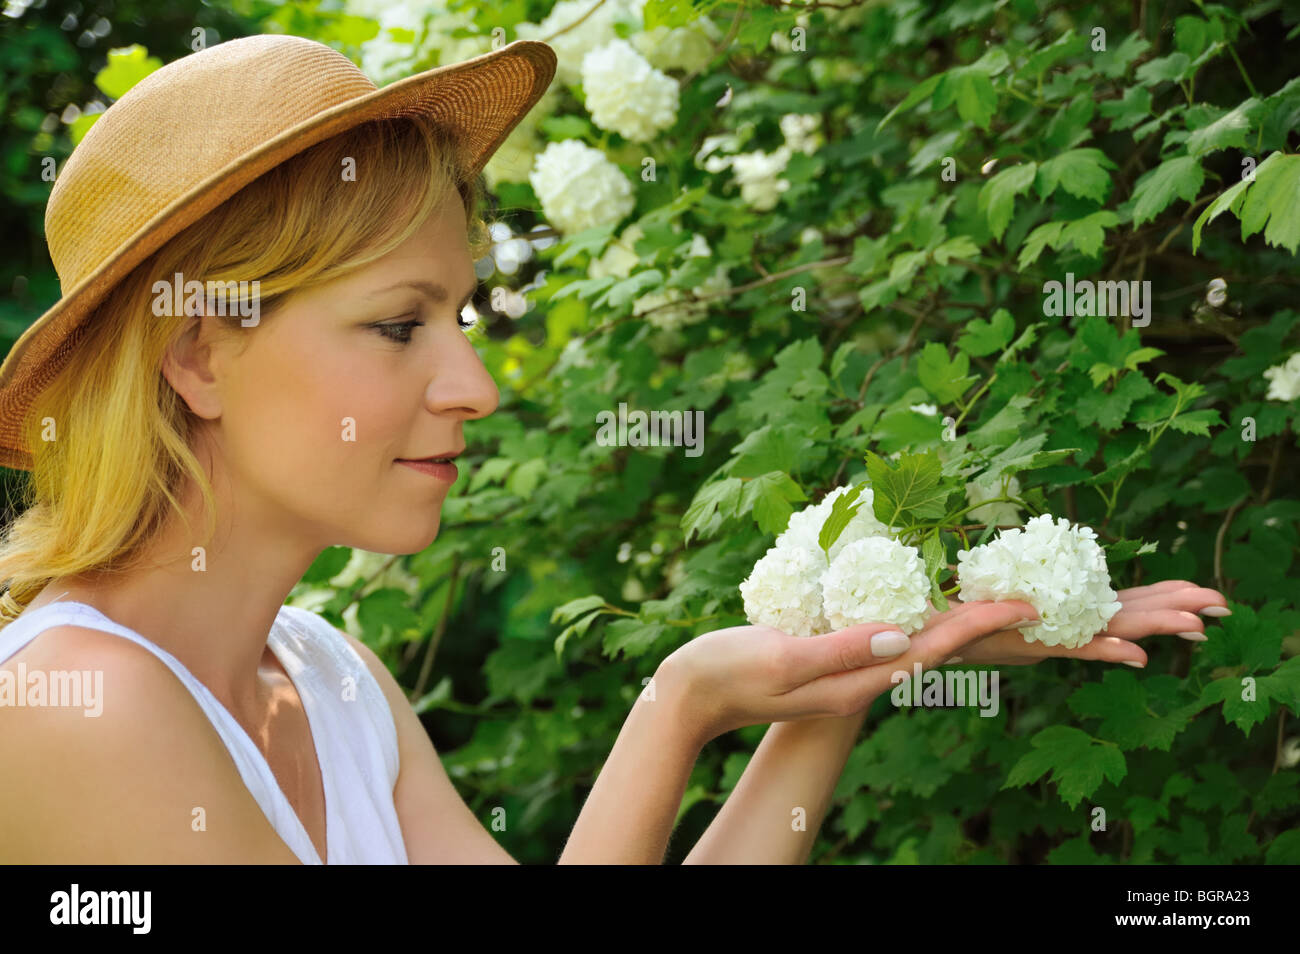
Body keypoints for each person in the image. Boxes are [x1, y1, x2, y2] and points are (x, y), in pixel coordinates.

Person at [0, 34, 1230, 865]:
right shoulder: (81, 710)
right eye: (396, 325)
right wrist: (677, 706)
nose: (473, 386)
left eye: (460, 318)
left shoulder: (328, 676)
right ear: (198, 356)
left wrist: (845, 664)